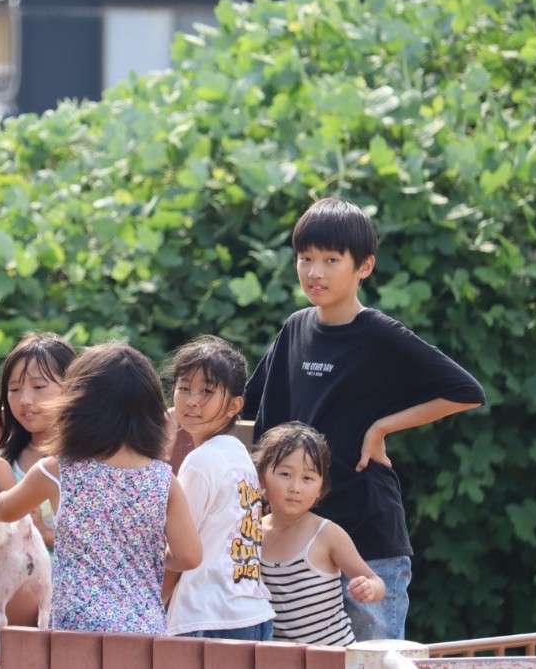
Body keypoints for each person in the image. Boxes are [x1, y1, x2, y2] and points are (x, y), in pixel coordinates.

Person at [244, 196, 485, 641]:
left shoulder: (380, 334)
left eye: (331, 260)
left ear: (364, 266)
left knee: (374, 661)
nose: (314, 272)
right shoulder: (295, 328)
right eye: (305, 259)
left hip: (368, 537)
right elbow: (247, 408)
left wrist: (381, 428)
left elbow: (466, 392)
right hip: (293, 543)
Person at [0, 342, 203, 634]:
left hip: (76, 627)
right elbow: (190, 556)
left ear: (77, 406)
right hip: (144, 627)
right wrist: (138, 557)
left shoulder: (57, 471)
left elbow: (3, 510)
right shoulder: (163, 479)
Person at [163, 336, 275, 641]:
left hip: (208, 619)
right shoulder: (238, 454)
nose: (192, 400)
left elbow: (179, 551)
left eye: (207, 391)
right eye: (184, 388)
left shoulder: (201, 461)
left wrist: (152, 605)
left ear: (235, 405)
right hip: (251, 613)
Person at [254, 421, 385, 645]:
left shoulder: (327, 534)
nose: (295, 487)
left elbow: (376, 580)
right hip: (278, 659)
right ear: (262, 478)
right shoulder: (252, 532)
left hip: (331, 657)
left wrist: (369, 588)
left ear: (321, 488)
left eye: (307, 478)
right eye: (285, 474)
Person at [0, 331, 77, 549]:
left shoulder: (89, 462)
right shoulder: (0, 460)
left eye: (38, 387)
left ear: (72, 387)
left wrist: (43, 533)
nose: (25, 400)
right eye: (14, 389)